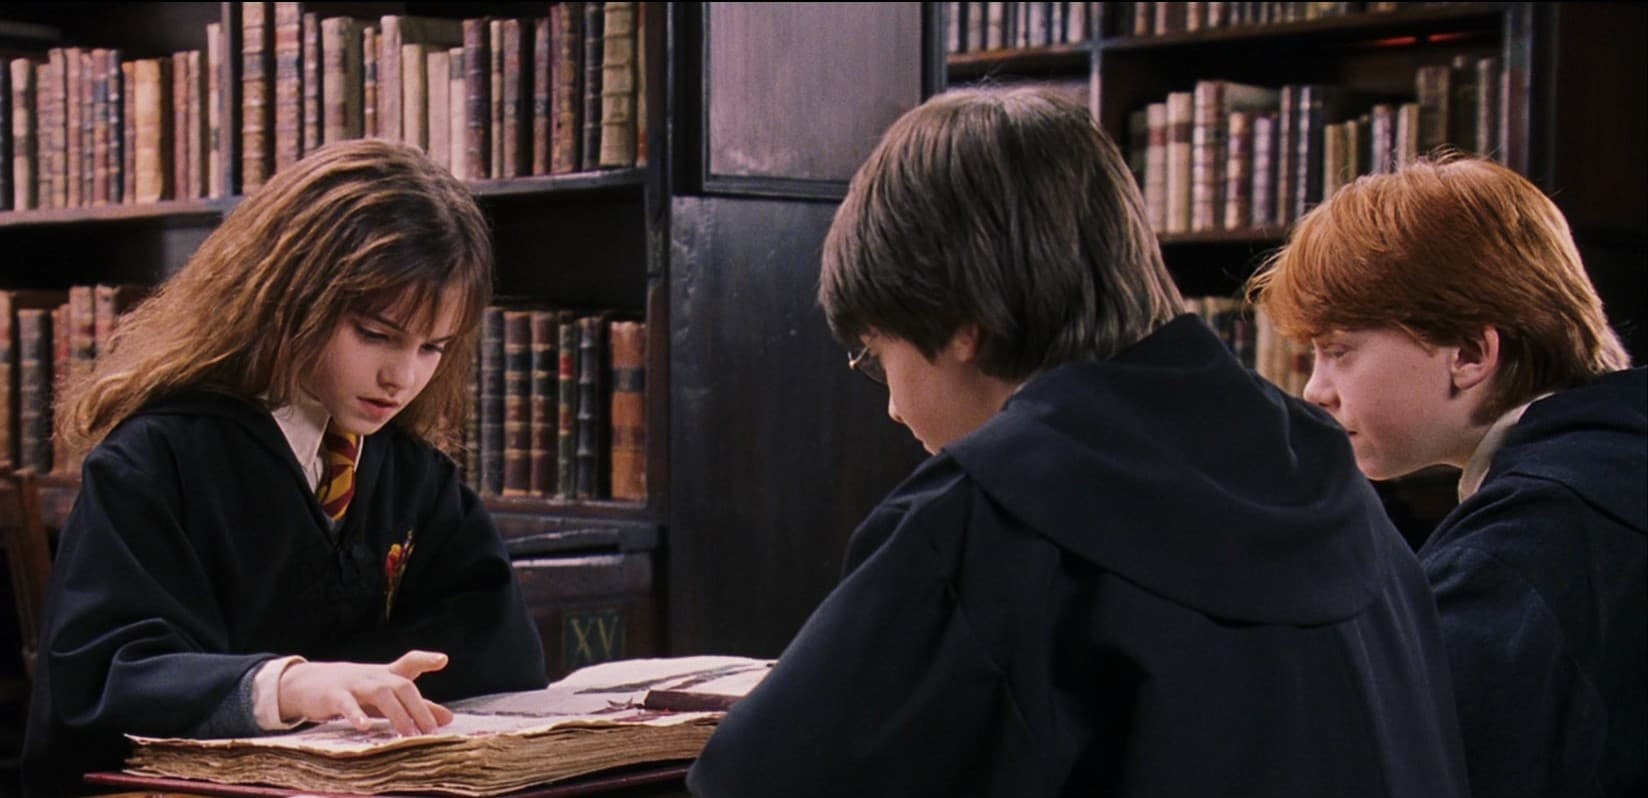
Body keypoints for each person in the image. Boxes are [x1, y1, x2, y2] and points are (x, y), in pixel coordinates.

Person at [687, 86, 1467, 796]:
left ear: (960, 324)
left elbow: (755, 783)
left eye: (875, 352)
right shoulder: (1338, 485)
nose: (891, 406)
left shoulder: (990, 518)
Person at [22, 139, 548, 795]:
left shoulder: (411, 475)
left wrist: (357, 680)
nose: (402, 376)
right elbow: (102, 679)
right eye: (375, 334)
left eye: (432, 348)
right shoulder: (157, 462)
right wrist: (292, 685)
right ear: (287, 297)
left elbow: (499, 649)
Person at [1248, 155, 1645, 797]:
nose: (1315, 390)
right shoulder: (1614, 467)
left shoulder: (1517, 554)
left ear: (1469, 353)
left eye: (1338, 351)